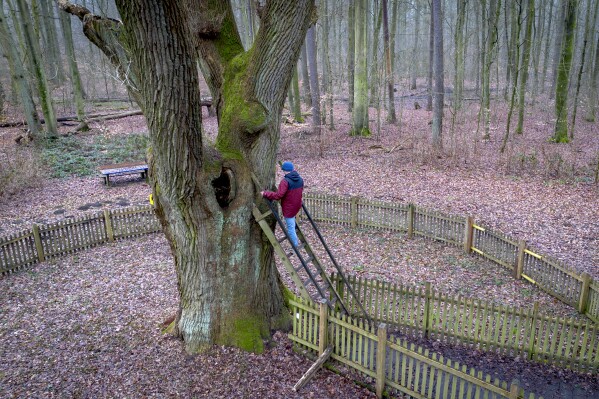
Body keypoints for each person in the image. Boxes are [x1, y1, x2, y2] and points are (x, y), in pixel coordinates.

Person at [261, 161, 304, 247]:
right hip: (297, 206)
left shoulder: (285, 181)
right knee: (292, 224)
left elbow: (278, 195)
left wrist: (265, 193)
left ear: (284, 170)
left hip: (289, 208)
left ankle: (295, 246)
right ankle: (295, 242)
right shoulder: (300, 179)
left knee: (290, 228)